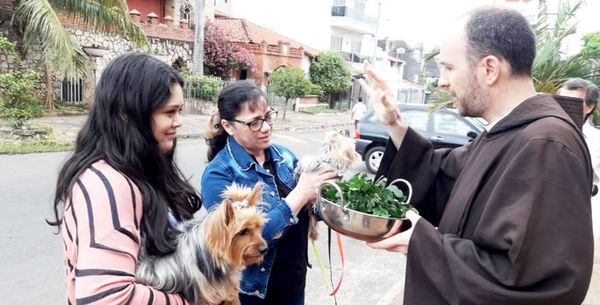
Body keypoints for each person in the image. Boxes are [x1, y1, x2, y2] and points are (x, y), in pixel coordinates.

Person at [361, 7, 594, 305]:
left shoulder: (546, 144)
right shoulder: (505, 132)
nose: (442, 82)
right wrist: (394, 122)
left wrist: (422, 243)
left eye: (448, 68)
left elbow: (536, 284)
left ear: (489, 69)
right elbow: (441, 173)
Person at [48, 53, 202, 304]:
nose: (179, 122)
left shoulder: (139, 171)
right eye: (169, 112)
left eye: (179, 110)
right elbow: (106, 297)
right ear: (125, 113)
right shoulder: (106, 183)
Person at [201, 80, 338, 305]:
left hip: (292, 281)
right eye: (254, 122)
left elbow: (306, 213)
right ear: (228, 126)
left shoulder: (284, 156)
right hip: (253, 293)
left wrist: (324, 192)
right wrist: (300, 194)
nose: (265, 127)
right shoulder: (218, 175)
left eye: (267, 117)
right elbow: (235, 242)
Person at [558, 78, 600, 195]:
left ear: (590, 106)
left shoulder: (597, 140)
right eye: (561, 100)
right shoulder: (539, 130)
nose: (565, 106)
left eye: (573, 102)